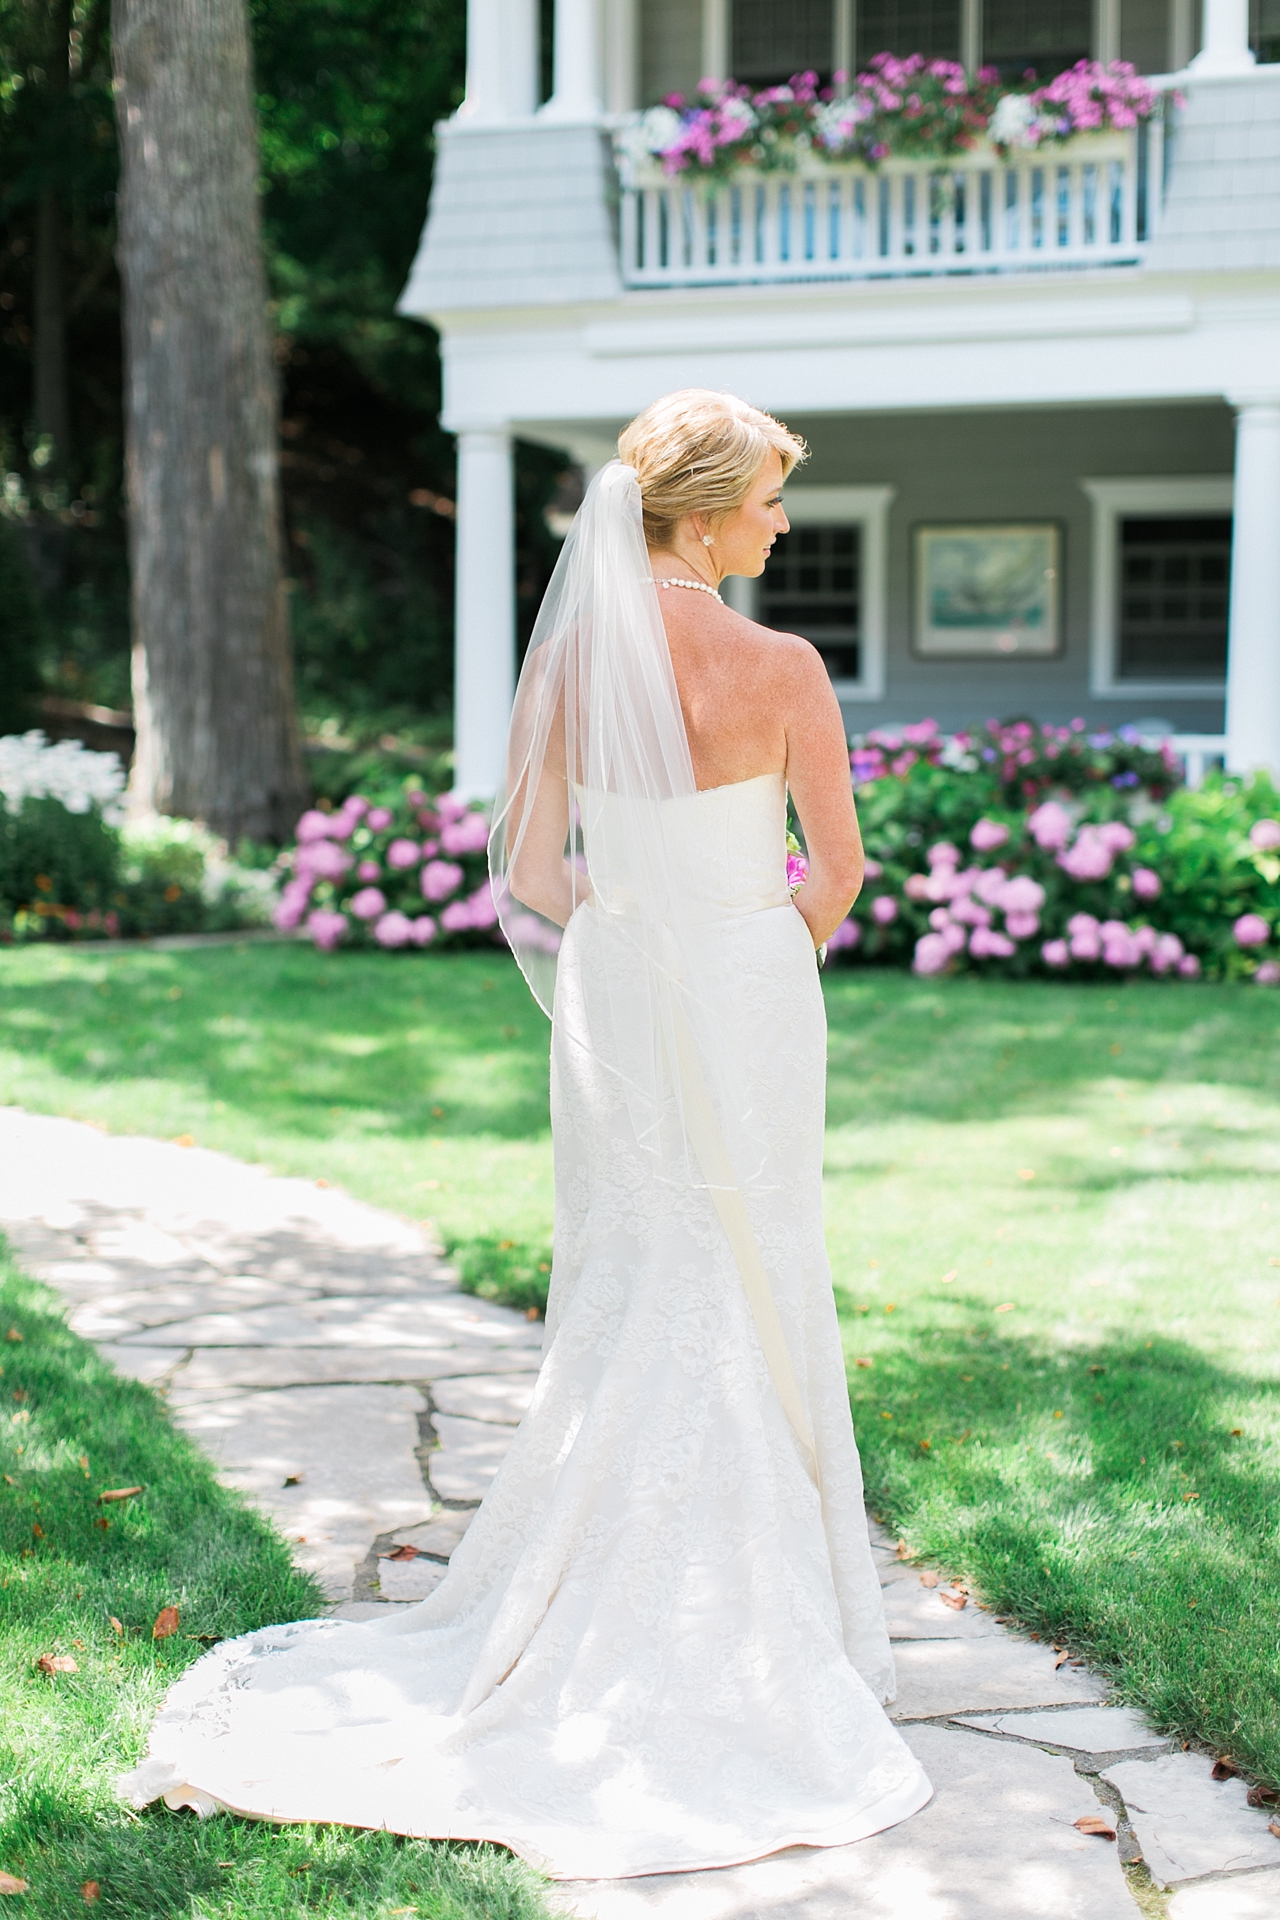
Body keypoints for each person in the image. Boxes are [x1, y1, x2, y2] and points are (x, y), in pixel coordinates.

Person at [119, 389, 931, 1881]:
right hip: (749, 986)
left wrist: (641, 941)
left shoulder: (568, 660)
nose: (782, 520)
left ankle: (605, 1576)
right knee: (755, 1257)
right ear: (697, 517)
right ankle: (767, 1611)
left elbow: (538, 871)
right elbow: (841, 868)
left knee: (636, 1261)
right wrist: (760, 956)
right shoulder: (784, 664)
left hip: (617, 989)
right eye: (765, 497)